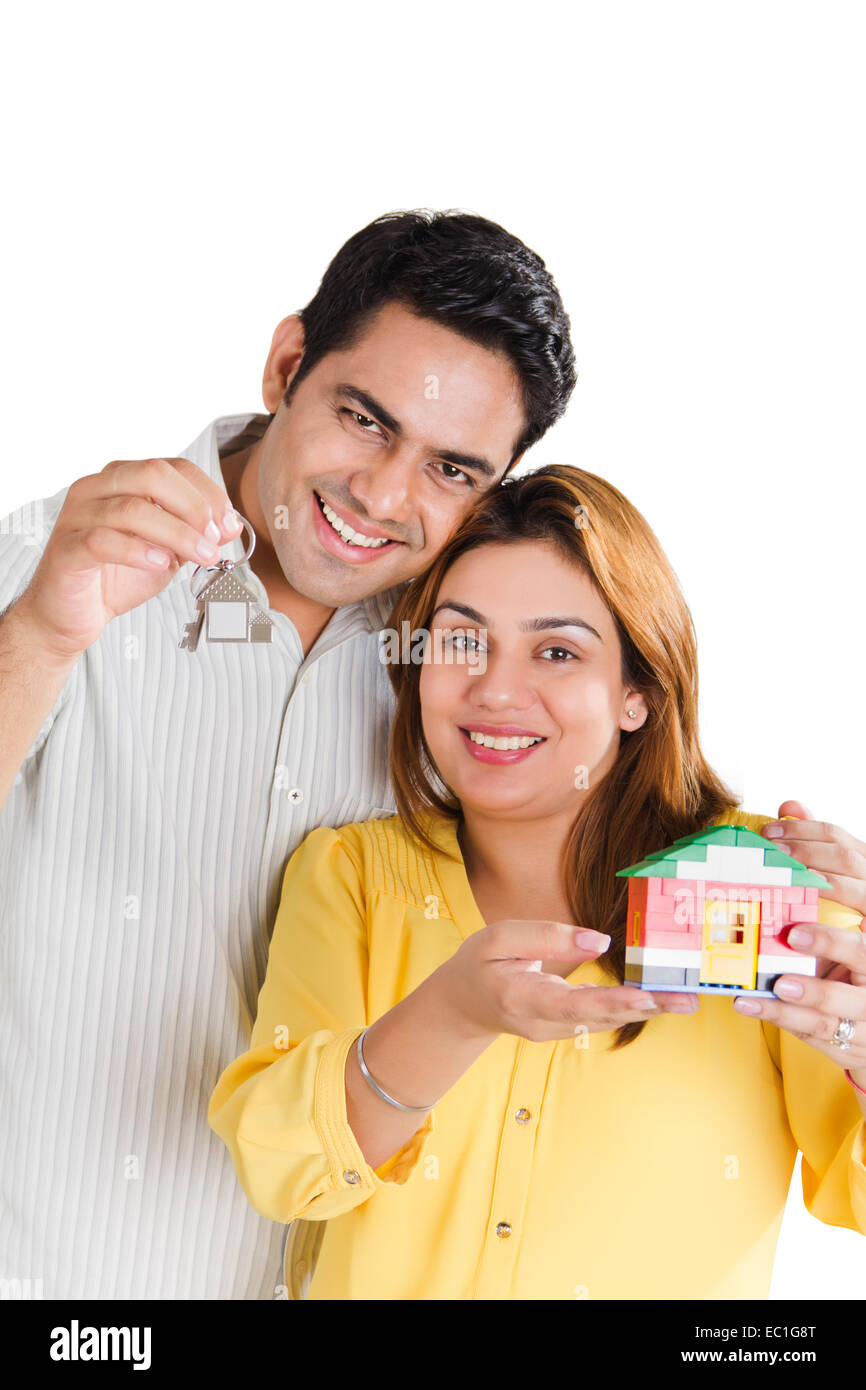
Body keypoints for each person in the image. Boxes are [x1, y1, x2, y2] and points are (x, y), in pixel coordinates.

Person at [0, 210, 577, 1298]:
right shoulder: (47, 565)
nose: (383, 495)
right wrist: (38, 636)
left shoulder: (464, 670)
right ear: (285, 365)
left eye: (450, 470)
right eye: (365, 419)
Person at [209, 464, 866, 1300]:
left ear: (638, 691)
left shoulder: (761, 885)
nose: (497, 689)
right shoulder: (353, 877)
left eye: (556, 651)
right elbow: (281, 1168)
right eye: (461, 640)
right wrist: (449, 1018)